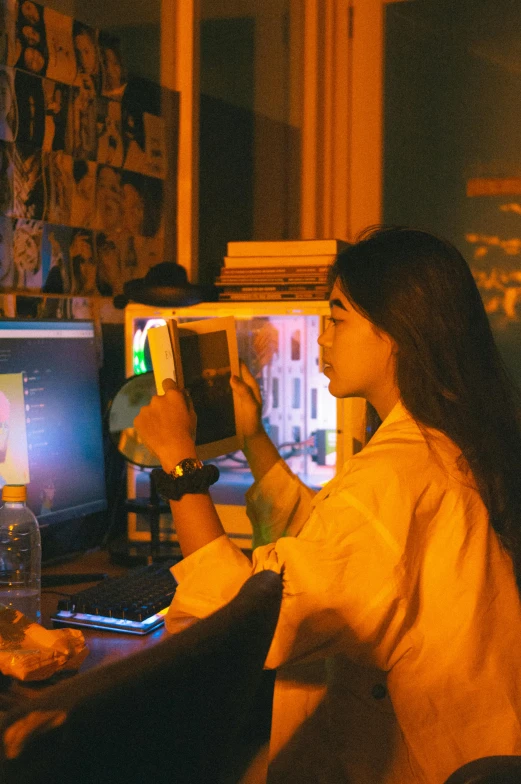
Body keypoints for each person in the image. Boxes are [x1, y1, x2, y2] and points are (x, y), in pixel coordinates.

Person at [134, 226, 521, 784]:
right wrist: (255, 439)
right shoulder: (445, 442)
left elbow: (251, 623)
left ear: (396, 333)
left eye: (336, 320)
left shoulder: (393, 477)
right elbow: (335, 549)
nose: (322, 342)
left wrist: (179, 465)